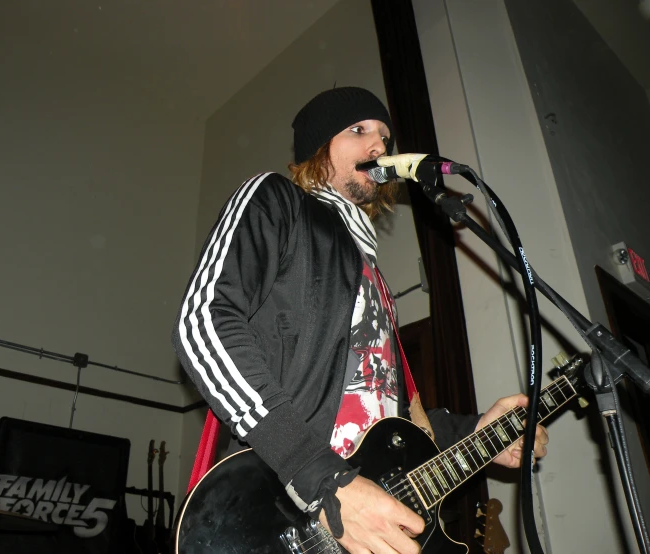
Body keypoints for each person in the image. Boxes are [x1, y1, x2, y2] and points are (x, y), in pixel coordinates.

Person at [172, 86, 549, 554]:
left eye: (385, 138)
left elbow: (380, 418)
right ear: (319, 145)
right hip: (289, 506)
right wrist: (321, 476)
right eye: (359, 130)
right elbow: (203, 322)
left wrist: (476, 434)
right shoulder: (278, 201)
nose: (379, 148)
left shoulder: (371, 273)